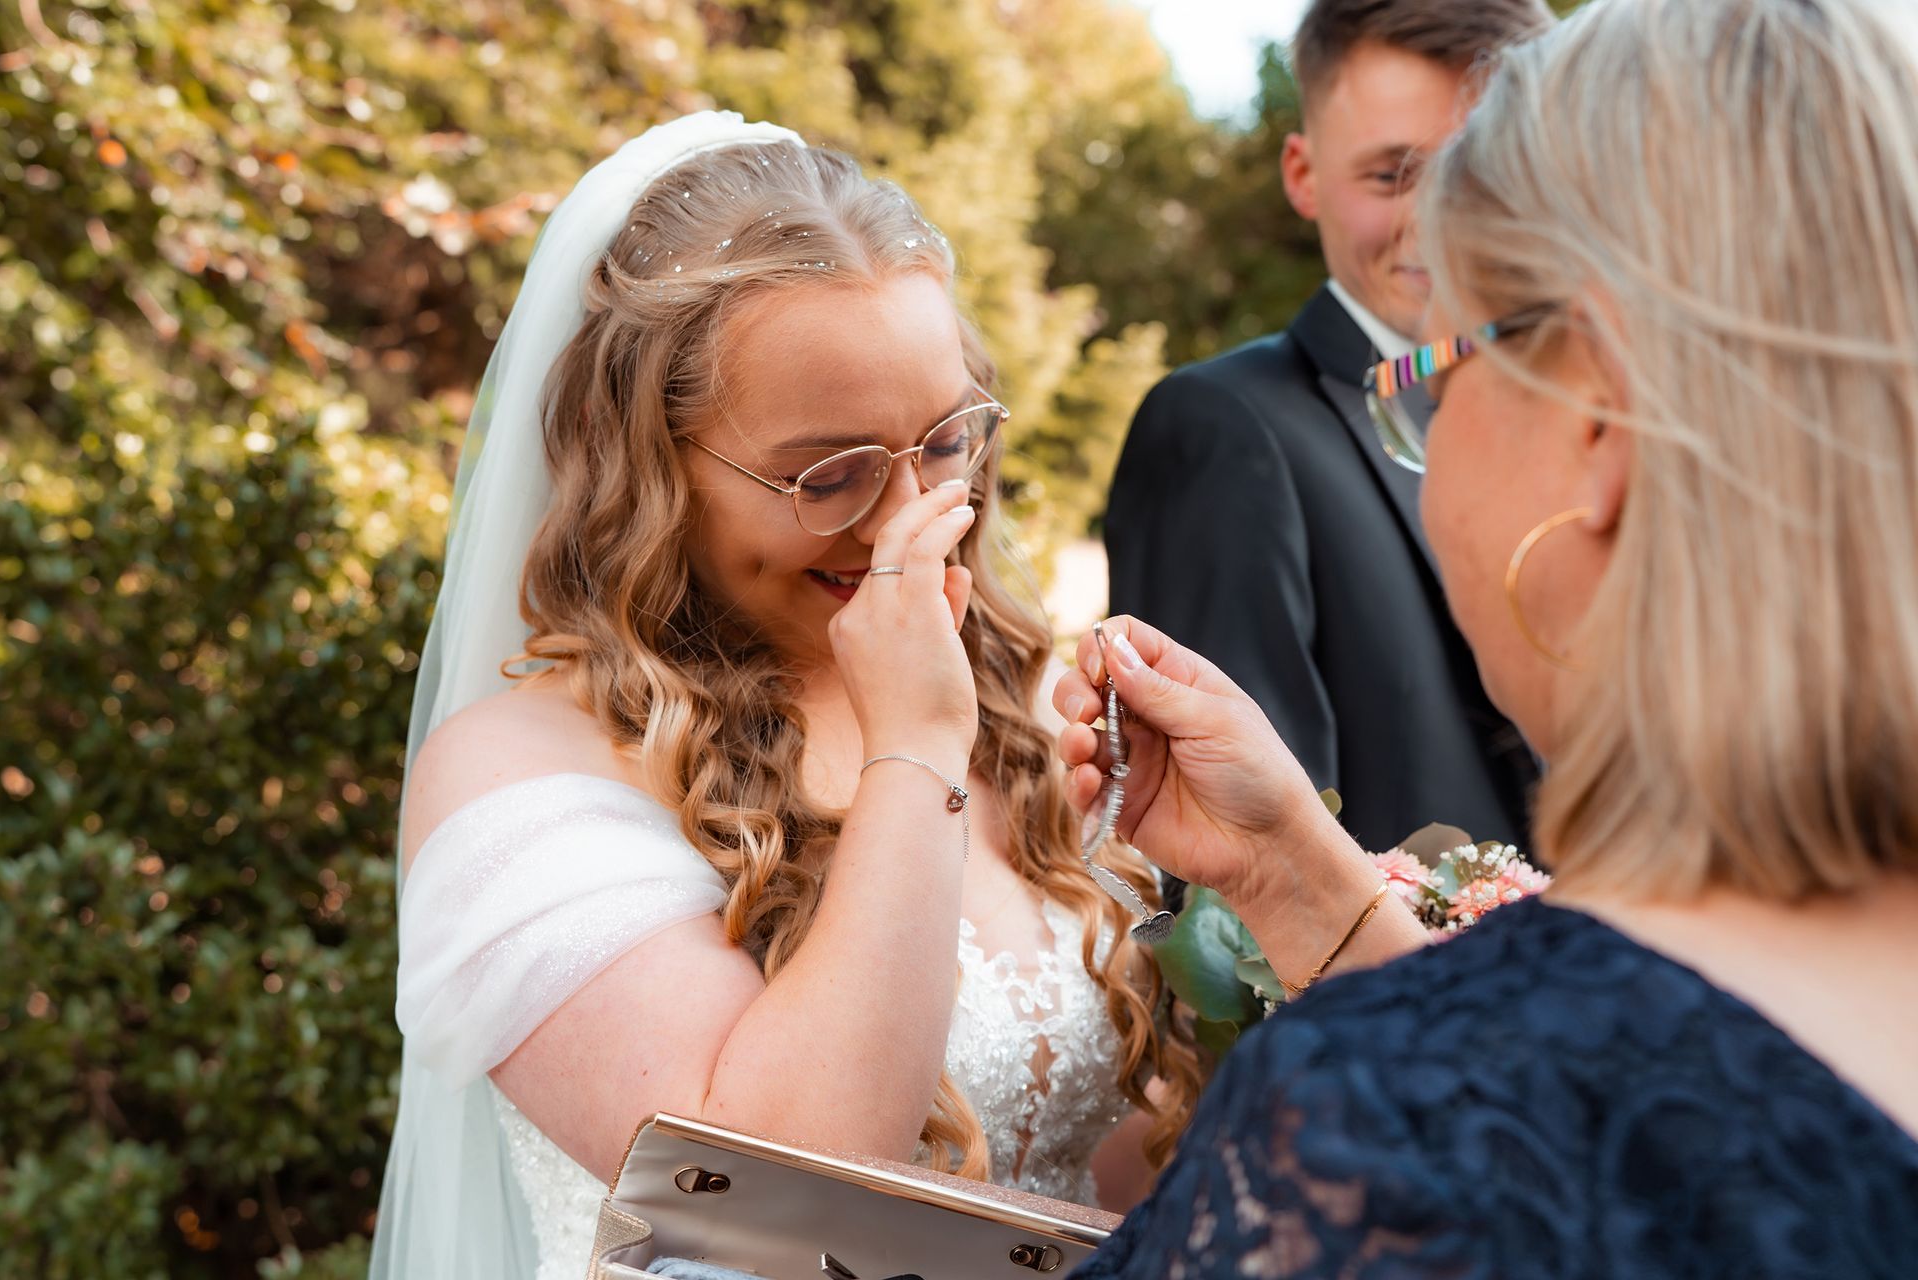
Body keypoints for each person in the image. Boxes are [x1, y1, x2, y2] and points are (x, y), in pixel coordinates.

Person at [1059, 0, 1918, 1273]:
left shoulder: (1395, 1113)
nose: (1429, 434)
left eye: (1444, 371)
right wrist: (1297, 874)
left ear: (1599, 422)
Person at [367, 113, 1199, 1280]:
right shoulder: (514, 774)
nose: (908, 519)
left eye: (944, 442)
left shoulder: (1016, 715)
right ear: (644, 457)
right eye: (829, 473)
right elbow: (778, 1207)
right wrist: (916, 750)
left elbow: (1108, 1168)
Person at [1105, 0, 1551, 859]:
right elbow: (1235, 875)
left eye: (1481, 172)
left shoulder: (1581, 421)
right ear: (1304, 175)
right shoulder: (1223, 431)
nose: (1439, 219)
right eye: (1391, 176)